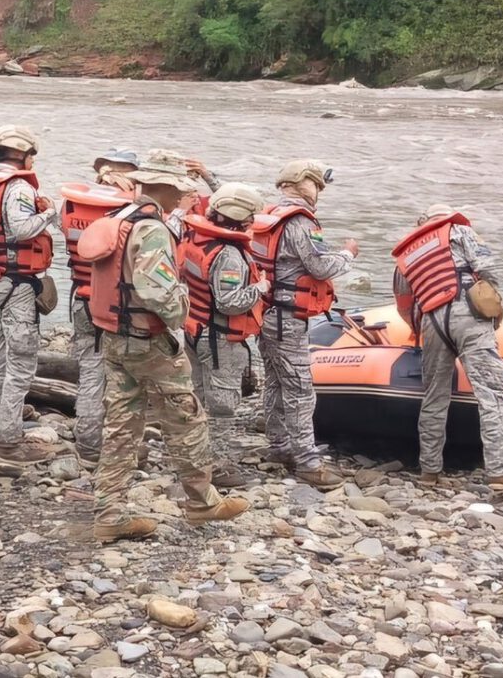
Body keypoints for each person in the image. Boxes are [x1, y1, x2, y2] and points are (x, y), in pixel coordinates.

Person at [78, 150, 250, 543]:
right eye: (180, 190)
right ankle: (202, 501)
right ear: (170, 187)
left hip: (114, 337)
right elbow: (156, 289)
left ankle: (109, 512)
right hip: (149, 341)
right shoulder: (152, 228)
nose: (182, 197)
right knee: (185, 418)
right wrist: (180, 317)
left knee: (121, 426)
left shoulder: (118, 217)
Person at [250, 160, 357, 490]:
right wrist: (348, 254)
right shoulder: (300, 222)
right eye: (317, 185)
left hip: (265, 313)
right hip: (286, 319)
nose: (320, 193)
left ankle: (280, 446)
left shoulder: (267, 216)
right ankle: (308, 462)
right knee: (299, 388)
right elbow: (320, 266)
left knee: (275, 381)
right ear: (303, 183)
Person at [392, 203, 503, 488]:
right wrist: (492, 303)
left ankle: (430, 471)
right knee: (491, 395)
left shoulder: (408, 252)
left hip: (432, 321)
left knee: (434, 397)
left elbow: (403, 302)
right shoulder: (459, 231)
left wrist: (418, 327)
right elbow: (487, 267)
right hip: (468, 313)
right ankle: (498, 473)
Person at [0, 125, 57, 472]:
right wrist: (49, 213)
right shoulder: (17, 187)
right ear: (22, 154)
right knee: (19, 361)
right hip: (16, 284)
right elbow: (21, 229)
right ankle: (10, 441)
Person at [181, 183, 268, 487]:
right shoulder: (229, 254)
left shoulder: (197, 238)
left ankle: (194, 459)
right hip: (218, 339)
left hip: (195, 331)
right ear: (242, 218)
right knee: (222, 405)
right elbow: (229, 303)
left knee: (200, 397)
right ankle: (217, 467)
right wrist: (260, 288)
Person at [61, 148, 140, 467]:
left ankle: (88, 442)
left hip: (80, 297)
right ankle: (103, 444)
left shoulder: (71, 205)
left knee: (90, 370)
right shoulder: (130, 211)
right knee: (121, 377)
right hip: (114, 306)